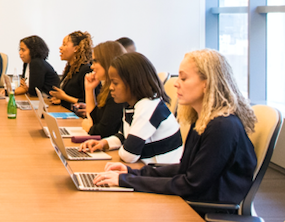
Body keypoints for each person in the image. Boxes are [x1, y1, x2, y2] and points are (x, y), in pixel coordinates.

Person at [93, 49, 257, 205]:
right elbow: (184, 170)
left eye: (183, 79)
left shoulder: (222, 127)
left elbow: (190, 184)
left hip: (205, 217)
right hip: (193, 204)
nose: (176, 84)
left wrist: (127, 181)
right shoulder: (204, 121)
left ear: (206, 84)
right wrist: (130, 173)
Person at [79, 52, 183, 164]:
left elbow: (129, 155)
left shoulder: (147, 106)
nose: (111, 88)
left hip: (161, 173)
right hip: (146, 169)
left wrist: (124, 147)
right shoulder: (131, 105)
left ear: (133, 83)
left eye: (115, 83)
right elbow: (123, 135)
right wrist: (104, 143)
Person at [80, 41, 127, 138]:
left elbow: (104, 132)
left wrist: (90, 128)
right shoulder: (107, 89)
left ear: (107, 61)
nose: (92, 66)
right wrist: (89, 90)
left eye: (95, 61)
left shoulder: (118, 92)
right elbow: (94, 119)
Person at [49, 31, 93, 110]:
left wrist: (64, 97)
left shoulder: (86, 70)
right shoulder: (70, 68)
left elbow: (88, 102)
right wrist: (60, 99)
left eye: (64, 45)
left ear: (76, 48)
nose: (60, 48)